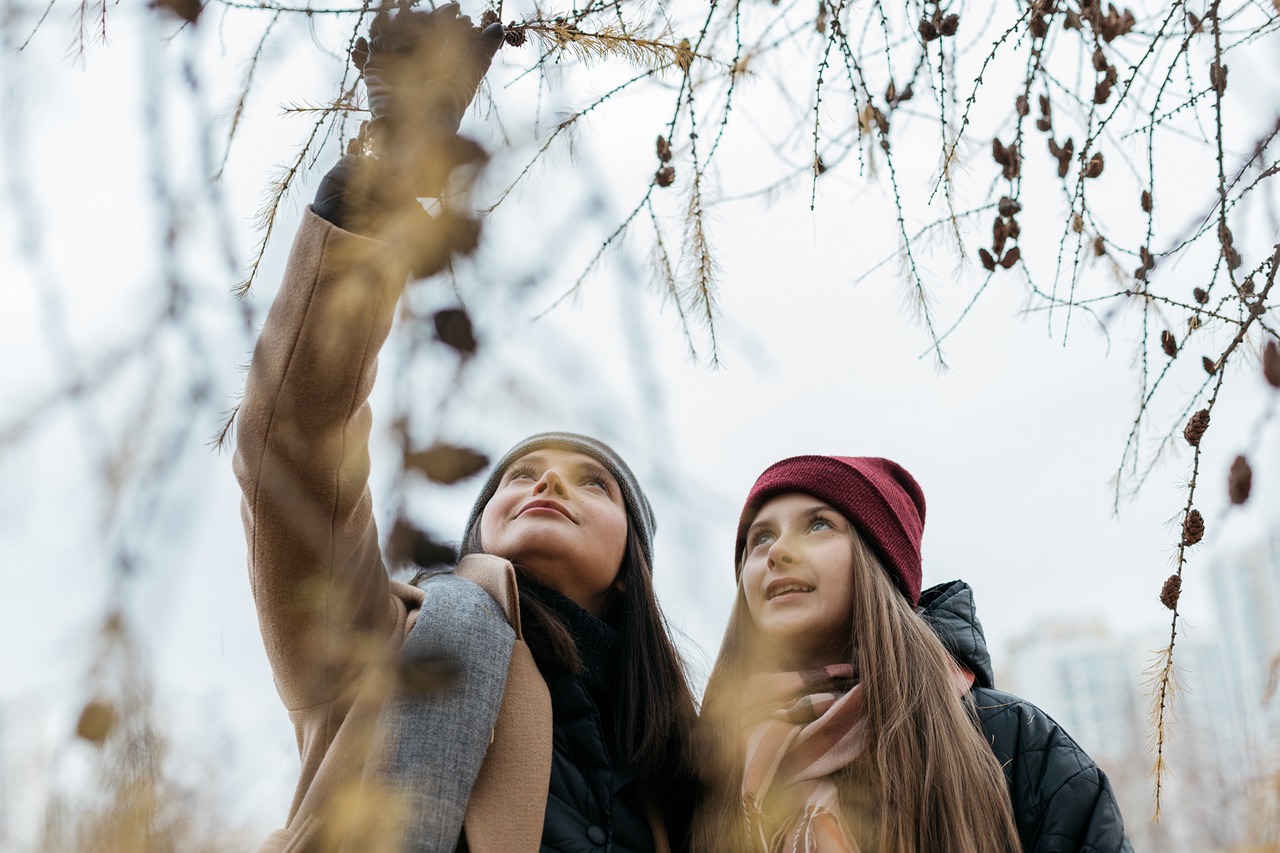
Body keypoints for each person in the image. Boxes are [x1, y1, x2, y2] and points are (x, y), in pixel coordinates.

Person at [232, 6, 697, 851]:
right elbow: (291, 452)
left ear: (634, 565)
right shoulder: (384, 641)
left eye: (594, 481)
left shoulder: (685, 775)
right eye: (519, 474)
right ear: (477, 527)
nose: (549, 481)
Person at [692, 455, 1132, 853]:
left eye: (819, 525)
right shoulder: (703, 767)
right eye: (760, 538)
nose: (779, 553)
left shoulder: (1011, 740)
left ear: (878, 564)